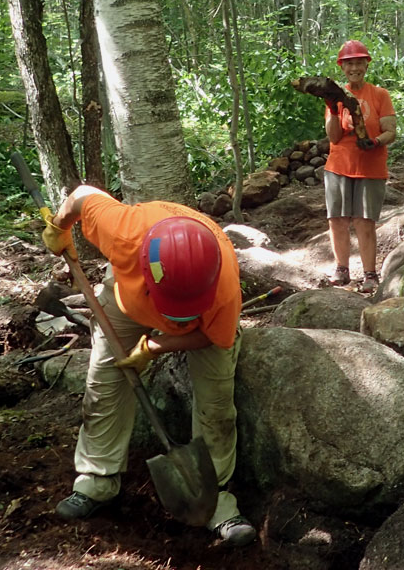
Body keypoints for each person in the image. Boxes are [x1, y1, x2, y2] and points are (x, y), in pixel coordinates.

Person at [41, 185, 255, 547]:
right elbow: (81, 195)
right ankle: (96, 481)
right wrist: (60, 226)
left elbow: (214, 338)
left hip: (204, 323)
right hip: (127, 303)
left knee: (217, 404)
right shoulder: (123, 231)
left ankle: (215, 497)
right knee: (103, 382)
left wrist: (157, 345)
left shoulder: (223, 285)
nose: (174, 318)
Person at [323, 39, 396, 293]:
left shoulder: (379, 94)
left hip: (371, 166)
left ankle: (369, 274)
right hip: (339, 165)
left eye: (359, 62)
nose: (354, 68)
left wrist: (375, 141)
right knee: (338, 220)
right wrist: (333, 108)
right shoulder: (336, 95)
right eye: (349, 63)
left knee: (365, 222)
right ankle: (341, 269)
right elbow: (333, 137)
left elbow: (391, 131)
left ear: (366, 65)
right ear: (342, 67)